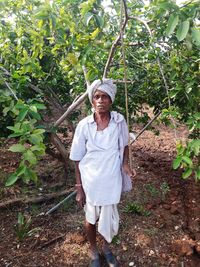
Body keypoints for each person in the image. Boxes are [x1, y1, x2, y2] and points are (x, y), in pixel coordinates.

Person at [69, 79, 136, 267]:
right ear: (92, 101)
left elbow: (124, 145)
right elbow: (76, 157)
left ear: (110, 100)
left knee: (110, 217)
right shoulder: (84, 125)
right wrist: (79, 187)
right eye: (96, 96)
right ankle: (93, 251)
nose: (100, 100)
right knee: (90, 218)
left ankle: (106, 248)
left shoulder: (119, 121)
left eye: (104, 96)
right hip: (91, 181)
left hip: (111, 179)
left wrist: (125, 165)